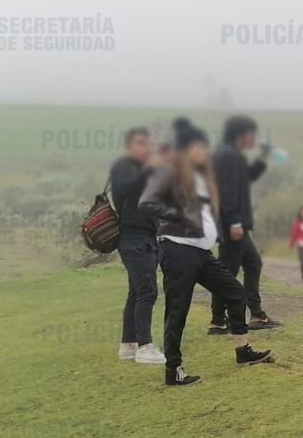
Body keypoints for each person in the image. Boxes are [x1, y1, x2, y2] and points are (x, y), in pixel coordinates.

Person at [139, 118, 274, 386]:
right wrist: (177, 216)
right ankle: (173, 371)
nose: (204, 151)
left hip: (201, 252)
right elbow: (147, 202)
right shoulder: (171, 171)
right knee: (177, 311)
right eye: (199, 146)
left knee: (236, 293)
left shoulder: (201, 176)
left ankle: (243, 351)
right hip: (177, 250)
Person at [208, 114, 280, 335]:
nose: (254, 138)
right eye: (252, 134)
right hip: (233, 224)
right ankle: (218, 320)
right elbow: (227, 191)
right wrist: (235, 222)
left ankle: (256, 314)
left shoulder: (231, 154)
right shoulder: (227, 155)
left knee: (252, 264)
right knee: (227, 271)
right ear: (241, 134)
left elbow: (246, 178)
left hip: (235, 223)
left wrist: (262, 157)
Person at [111, 127, 165, 365]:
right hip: (132, 237)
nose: (147, 147)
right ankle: (145, 346)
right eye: (141, 143)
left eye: (148, 143)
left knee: (136, 291)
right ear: (128, 146)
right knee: (147, 290)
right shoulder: (123, 166)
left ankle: (128, 344)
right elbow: (123, 190)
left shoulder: (145, 170)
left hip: (146, 236)